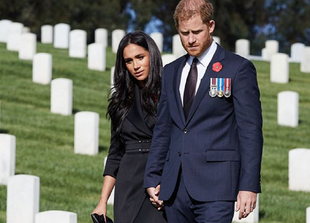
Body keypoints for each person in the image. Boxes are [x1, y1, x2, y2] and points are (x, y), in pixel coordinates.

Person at [144, 0, 263, 222]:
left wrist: (249, 185)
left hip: (217, 188)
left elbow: (250, 131)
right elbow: (163, 129)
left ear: (211, 26)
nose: (190, 39)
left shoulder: (237, 69)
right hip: (174, 188)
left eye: (196, 31)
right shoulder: (171, 71)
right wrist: (152, 177)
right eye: (184, 32)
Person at [92, 31, 167, 223]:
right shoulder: (120, 101)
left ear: (152, 55)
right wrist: (102, 202)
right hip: (129, 183)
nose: (135, 66)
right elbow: (116, 153)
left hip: (161, 176)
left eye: (140, 57)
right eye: (128, 61)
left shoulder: (170, 92)